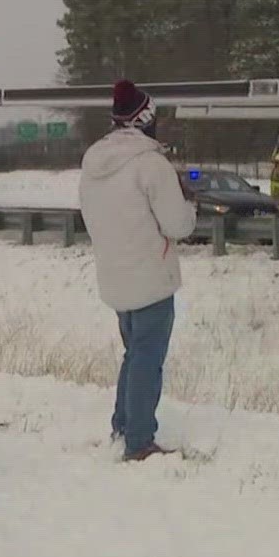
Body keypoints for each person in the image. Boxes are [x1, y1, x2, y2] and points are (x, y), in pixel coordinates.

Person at [78, 80, 196, 462]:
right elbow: (178, 225)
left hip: (114, 277)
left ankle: (123, 424)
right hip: (151, 279)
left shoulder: (93, 165)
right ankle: (140, 440)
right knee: (148, 358)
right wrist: (187, 203)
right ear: (145, 119)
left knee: (134, 354)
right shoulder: (151, 164)